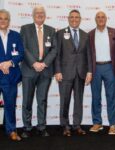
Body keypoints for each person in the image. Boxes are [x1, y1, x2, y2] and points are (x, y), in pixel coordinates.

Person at [20, 6, 57, 138]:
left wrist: (44, 63)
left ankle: (41, 127)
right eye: (37, 13)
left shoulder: (51, 30)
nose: (40, 15)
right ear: (33, 15)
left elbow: (54, 50)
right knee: (27, 101)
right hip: (29, 70)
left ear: (45, 15)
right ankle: (27, 127)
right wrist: (34, 63)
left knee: (42, 100)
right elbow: (23, 48)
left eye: (42, 13)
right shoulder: (25, 29)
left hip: (45, 71)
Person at [55, 9, 92, 137]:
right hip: (64, 73)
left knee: (78, 101)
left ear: (80, 19)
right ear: (68, 18)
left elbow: (88, 55)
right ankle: (65, 125)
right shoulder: (60, 33)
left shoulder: (85, 35)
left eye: (77, 17)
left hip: (80, 72)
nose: (74, 19)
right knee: (64, 100)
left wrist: (89, 71)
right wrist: (58, 71)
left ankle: (77, 125)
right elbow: (57, 55)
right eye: (72, 17)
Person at [89, 11, 115, 135]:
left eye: (103, 17)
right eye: (98, 17)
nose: (101, 19)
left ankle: (112, 125)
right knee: (96, 97)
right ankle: (97, 123)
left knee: (111, 96)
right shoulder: (90, 34)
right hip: (95, 68)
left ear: (106, 19)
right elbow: (88, 54)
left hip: (109, 67)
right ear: (95, 19)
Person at [0, 9, 24, 141]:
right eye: (0, 18)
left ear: (9, 21)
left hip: (11, 77)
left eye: (5, 19)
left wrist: (10, 62)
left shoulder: (15, 35)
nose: (3, 21)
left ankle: (11, 130)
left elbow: (21, 53)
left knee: (10, 105)